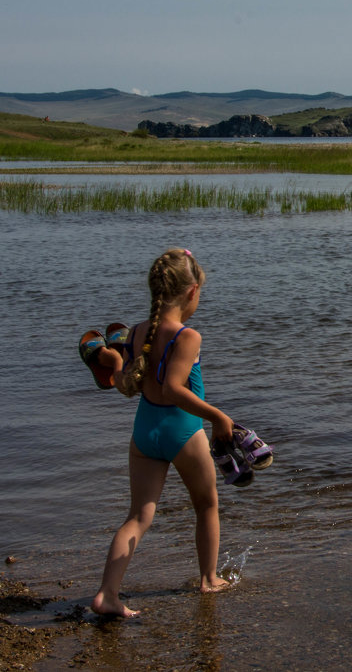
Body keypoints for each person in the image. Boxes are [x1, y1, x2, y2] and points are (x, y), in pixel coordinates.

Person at [91, 249, 236, 618]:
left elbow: (128, 383)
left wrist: (116, 360)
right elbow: (173, 389)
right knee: (206, 505)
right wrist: (218, 416)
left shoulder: (139, 331)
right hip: (182, 431)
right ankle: (209, 578)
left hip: (145, 431)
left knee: (138, 516)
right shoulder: (188, 336)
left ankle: (107, 594)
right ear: (191, 292)